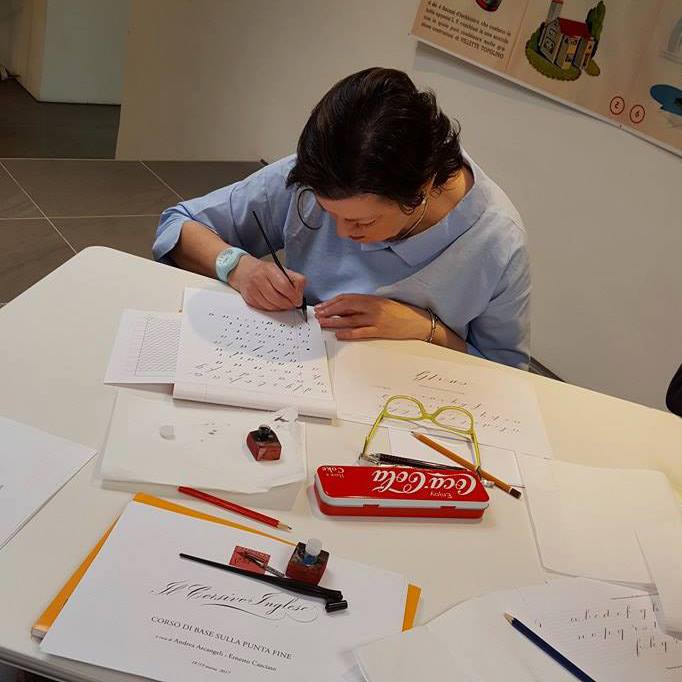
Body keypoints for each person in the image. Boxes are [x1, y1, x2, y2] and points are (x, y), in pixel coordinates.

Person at [154, 67, 531, 369]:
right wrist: (237, 267)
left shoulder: (495, 240)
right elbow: (178, 224)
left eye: (363, 223)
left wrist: (425, 329)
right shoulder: (328, 173)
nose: (340, 232)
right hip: (297, 370)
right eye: (327, 211)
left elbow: (506, 373)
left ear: (422, 189)